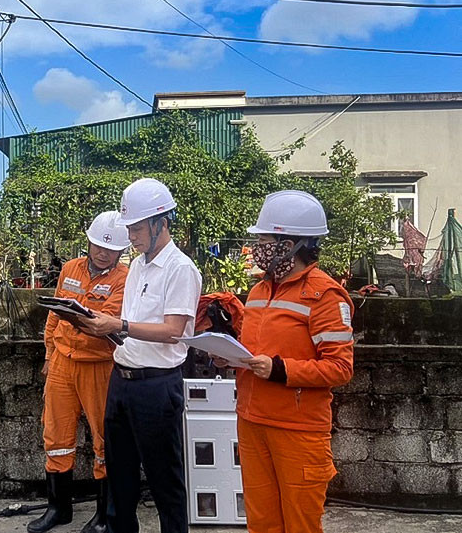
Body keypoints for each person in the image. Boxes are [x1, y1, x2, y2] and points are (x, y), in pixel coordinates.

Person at [219, 190, 354, 533]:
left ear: (289, 244)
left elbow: (340, 368)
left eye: (263, 239)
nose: (257, 247)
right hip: (251, 421)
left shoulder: (324, 295)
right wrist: (228, 359)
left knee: (300, 525)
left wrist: (280, 370)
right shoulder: (260, 290)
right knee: (261, 523)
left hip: (298, 432)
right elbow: (254, 353)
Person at [77, 178, 202, 533]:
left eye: (135, 228)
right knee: (121, 479)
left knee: (165, 482)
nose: (129, 235)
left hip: (156, 387)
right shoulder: (138, 268)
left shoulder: (180, 269)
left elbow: (174, 331)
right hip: (123, 380)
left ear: (160, 222)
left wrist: (119, 324)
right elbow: (130, 325)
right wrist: (98, 325)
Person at [29, 211, 131, 533]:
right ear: (88, 241)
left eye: (110, 248)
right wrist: (49, 353)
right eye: (98, 245)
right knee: (55, 434)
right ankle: (59, 509)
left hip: (99, 366)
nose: (102, 252)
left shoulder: (124, 278)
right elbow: (54, 316)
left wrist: (83, 316)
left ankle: (104, 515)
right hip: (61, 361)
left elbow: (107, 319)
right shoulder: (70, 268)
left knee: (105, 439)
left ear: (121, 251)